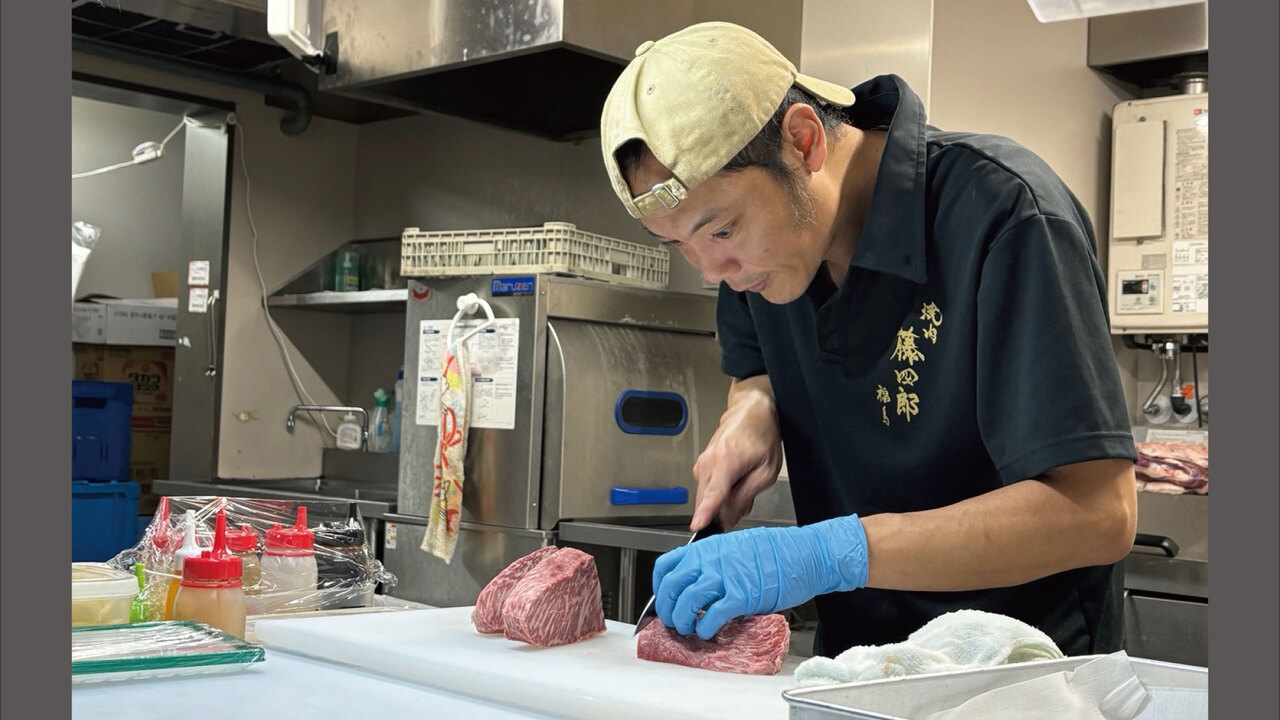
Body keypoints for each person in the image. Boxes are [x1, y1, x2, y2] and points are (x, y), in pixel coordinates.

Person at [599, 21, 1138, 658]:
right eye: (680, 245)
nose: (713, 271)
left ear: (802, 143)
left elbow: (1100, 513)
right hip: (852, 670)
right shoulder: (756, 259)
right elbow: (759, 367)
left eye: (720, 232)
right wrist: (753, 413)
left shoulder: (1005, 214)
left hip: (1017, 673)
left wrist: (833, 551)